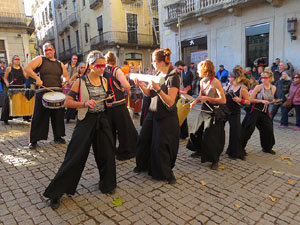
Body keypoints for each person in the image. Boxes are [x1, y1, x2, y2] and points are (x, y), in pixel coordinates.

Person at [43, 50, 117, 210]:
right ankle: (56, 193)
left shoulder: (105, 81)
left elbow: (105, 103)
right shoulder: (80, 81)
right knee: (75, 156)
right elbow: (67, 102)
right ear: (91, 66)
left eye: (104, 66)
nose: (102, 68)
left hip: (102, 120)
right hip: (86, 120)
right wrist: (83, 104)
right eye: (99, 66)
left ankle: (107, 185)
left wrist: (108, 103)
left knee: (107, 153)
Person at [133, 48, 180, 184]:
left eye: (154, 61)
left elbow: (170, 101)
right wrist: (141, 85)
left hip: (166, 115)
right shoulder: (157, 73)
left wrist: (158, 89)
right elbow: (148, 93)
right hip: (152, 112)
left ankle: (167, 173)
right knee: (144, 139)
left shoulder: (173, 77)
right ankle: (142, 165)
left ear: (161, 62)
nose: (152, 64)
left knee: (162, 145)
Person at [25, 43, 69, 149]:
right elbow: (27, 68)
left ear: (53, 50)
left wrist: (65, 81)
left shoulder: (59, 63)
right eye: (45, 50)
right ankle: (34, 140)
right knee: (38, 116)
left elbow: (66, 76)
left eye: (49, 49)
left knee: (58, 116)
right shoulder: (40, 59)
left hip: (57, 92)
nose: (48, 51)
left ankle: (58, 136)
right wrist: (37, 78)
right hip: (43, 92)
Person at [186, 59, 226, 170]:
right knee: (195, 132)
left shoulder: (215, 82)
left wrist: (207, 98)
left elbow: (223, 100)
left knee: (210, 137)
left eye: (199, 70)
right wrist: (194, 102)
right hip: (204, 110)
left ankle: (214, 160)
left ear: (205, 70)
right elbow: (200, 96)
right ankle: (199, 150)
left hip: (213, 112)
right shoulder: (202, 81)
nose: (197, 72)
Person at [104, 51, 138, 161]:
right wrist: (127, 91)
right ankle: (125, 151)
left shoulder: (101, 70)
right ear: (115, 60)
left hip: (107, 105)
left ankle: (110, 151)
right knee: (125, 130)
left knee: (110, 131)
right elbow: (126, 84)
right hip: (118, 104)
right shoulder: (116, 70)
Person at [241, 68, 276, 155]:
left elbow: (270, 99)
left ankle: (267, 147)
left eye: (265, 78)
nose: (263, 79)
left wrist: (273, 101)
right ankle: (240, 148)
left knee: (268, 129)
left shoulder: (273, 87)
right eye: (262, 77)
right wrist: (261, 101)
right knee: (248, 129)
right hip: (255, 110)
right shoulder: (258, 87)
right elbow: (250, 99)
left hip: (264, 111)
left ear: (270, 78)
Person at [224, 66, 250, 160]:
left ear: (235, 78)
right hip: (225, 111)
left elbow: (248, 101)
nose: (228, 78)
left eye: (230, 77)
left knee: (235, 132)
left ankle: (235, 152)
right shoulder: (228, 86)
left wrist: (240, 100)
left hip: (235, 112)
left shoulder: (243, 88)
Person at [1, 55, 27, 124]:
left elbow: (26, 77)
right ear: (13, 60)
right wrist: (6, 83)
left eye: (18, 59)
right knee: (8, 102)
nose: (17, 60)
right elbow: (5, 78)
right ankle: (5, 118)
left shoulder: (22, 68)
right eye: (16, 59)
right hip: (12, 87)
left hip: (20, 87)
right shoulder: (9, 69)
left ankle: (26, 117)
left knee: (24, 101)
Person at [177, 62, 193, 139]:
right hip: (175, 97)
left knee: (182, 114)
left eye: (182, 69)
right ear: (175, 67)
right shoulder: (174, 75)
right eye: (180, 69)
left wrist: (183, 90)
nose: (181, 70)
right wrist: (181, 91)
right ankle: (182, 133)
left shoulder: (180, 75)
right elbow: (172, 88)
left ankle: (184, 134)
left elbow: (178, 87)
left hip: (179, 97)